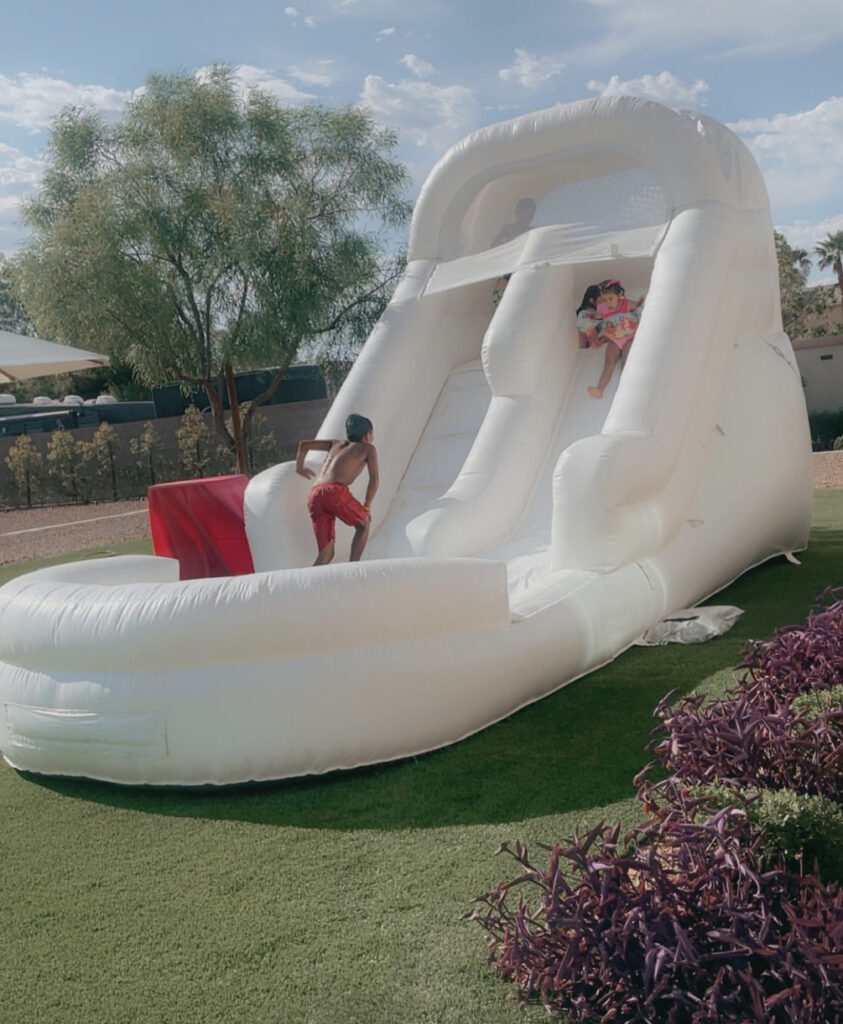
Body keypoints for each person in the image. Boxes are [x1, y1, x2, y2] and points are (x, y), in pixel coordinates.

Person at [295, 413, 379, 566]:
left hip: (315, 493)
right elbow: (374, 481)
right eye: (372, 433)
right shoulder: (368, 448)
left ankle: (310, 585)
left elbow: (303, 445)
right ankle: (353, 569)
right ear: (367, 435)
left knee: (326, 552)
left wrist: (299, 467)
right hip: (334, 492)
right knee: (364, 523)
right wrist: (366, 506)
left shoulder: (335, 444)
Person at [587, 279, 644, 399]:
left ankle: (627, 387)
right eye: (605, 300)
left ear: (619, 296)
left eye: (611, 299)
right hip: (615, 339)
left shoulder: (627, 304)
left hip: (629, 337)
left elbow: (640, 307)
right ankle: (600, 389)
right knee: (608, 363)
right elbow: (598, 318)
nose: (608, 303)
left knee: (626, 361)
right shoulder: (603, 309)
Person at [491, 197, 536, 307]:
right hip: (508, 268)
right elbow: (494, 245)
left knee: (521, 296)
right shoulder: (508, 229)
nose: (527, 217)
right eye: (524, 213)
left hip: (524, 270)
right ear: (517, 213)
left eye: (530, 214)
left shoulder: (533, 232)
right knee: (500, 296)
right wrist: (509, 249)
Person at [575, 284, 602, 349]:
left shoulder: (596, 314)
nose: (606, 302)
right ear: (592, 300)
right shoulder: (585, 315)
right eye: (602, 300)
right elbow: (595, 342)